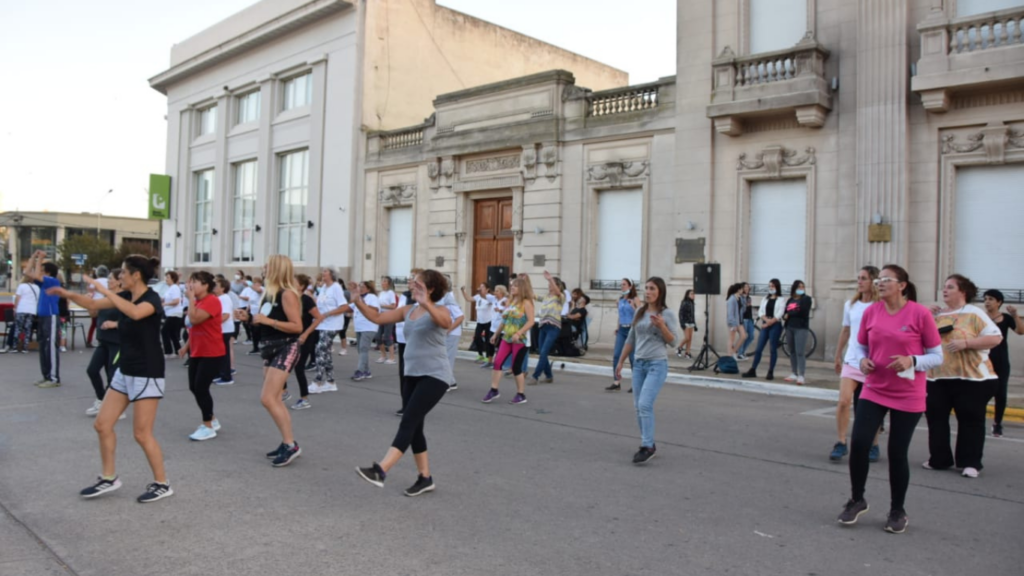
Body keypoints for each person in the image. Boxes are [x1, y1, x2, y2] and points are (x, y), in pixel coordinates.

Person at [49, 255, 174, 503]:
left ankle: (163, 483)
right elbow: (93, 306)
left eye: (124, 274)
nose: (120, 278)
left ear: (136, 275)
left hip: (147, 372)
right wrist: (66, 294)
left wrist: (105, 289)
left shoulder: (151, 299)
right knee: (102, 424)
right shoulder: (125, 297)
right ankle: (109, 477)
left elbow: (136, 314)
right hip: (125, 369)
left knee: (141, 433)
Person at [838, 264, 942, 533]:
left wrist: (913, 360)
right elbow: (860, 344)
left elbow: (937, 355)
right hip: (875, 387)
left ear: (902, 285)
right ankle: (857, 499)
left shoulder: (919, 314)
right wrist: (862, 360)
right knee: (860, 442)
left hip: (908, 393)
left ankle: (898, 510)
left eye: (886, 279)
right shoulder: (872, 311)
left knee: (897, 452)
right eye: (879, 279)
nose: (880, 283)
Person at [355, 271, 454, 495]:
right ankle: (425, 478)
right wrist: (357, 302)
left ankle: (381, 470)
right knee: (416, 428)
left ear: (430, 289)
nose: (412, 284)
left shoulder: (440, 310)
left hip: (435, 375)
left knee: (408, 421)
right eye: (412, 282)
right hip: (412, 374)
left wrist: (427, 304)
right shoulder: (408, 310)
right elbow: (378, 318)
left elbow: (445, 323)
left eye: (418, 283)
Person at [924, 274, 1002, 478]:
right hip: (937, 377)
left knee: (970, 419)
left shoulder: (974, 313)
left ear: (963, 292)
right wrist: (925, 315)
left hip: (972, 378)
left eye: (950, 287)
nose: (945, 290)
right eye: (944, 287)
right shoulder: (936, 315)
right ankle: (939, 459)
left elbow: (995, 338)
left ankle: (970, 463)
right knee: (936, 418)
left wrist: (966, 343)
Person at [614, 277, 680, 464]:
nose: (648, 291)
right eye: (647, 288)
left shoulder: (667, 314)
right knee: (638, 407)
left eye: (652, 288)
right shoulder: (640, 312)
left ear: (660, 292)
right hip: (639, 365)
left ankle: (647, 446)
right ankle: (648, 443)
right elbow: (631, 340)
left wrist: (662, 326)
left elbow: (674, 341)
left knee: (644, 404)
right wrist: (620, 362)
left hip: (656, 364)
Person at [257, 255, 306, 467]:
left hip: (286, 347)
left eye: (267, 266)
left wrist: (268, 320)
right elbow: (266, 322)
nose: (263, 268)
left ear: (276, 269)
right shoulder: (269, 293)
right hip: (270, 348)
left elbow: (297, 326)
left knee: (268, 398)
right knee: (274, 399)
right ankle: (288, 442)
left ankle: (290, 444)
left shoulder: (287, 294)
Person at [830, 266, 881, 462]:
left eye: (864, 278)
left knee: (869, 408)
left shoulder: (880, 305)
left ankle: (873, 444)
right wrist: (837, 356)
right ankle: (841, 442)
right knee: (844, 401)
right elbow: (846, 331)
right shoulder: (850, 305)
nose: (859, 282)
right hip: (852, 360)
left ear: (873, 281)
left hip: (873, 362)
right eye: (858, 278)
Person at [177, 271, 226, 441]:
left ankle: (207, 426)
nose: (190, 286)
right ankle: (212, 418)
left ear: (205, 285)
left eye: (194, 282)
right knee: (193, 386)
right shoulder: (197, 301)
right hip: (198, 351)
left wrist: (190, 299)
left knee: (201, 388)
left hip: (212, 352)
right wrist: (186, 346)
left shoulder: (212, 301)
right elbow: (193, 328)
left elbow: (195, 319)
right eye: (190, 282)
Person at [483, 276, 535, 405]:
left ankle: (521, 394)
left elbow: (531, 321)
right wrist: (496, 334)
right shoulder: (510, 302)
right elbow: (504, 320)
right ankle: (494, 390)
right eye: (511, 285)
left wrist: (519, 332)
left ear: (522, 288)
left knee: (516, 367)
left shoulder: (526, 303)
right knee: (497, 362)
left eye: (515, 286)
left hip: (521, 340)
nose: (512, 287)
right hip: (507, 338)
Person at [85, 269, 126, 418]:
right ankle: (102, 399)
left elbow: (131, 319)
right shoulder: (105, 297)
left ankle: (116, 409)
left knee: (112, 375)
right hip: (103, 341)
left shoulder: (123, 298)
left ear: (119, 281)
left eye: (110, 279)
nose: (108, 281)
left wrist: (114, 324)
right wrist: (90, 303)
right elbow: (94, 314)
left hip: (117, 342)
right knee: (92, 370)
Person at [983, 289, 1023, 437]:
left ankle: (997, 423)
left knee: (1001, 394)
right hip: (983, 360)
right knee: (981, 392)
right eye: (986, 298)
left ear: (999, 302)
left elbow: (1020, 331)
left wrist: (1015, 315)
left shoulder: (1005, 318)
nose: (987, 301)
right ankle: (977, 420)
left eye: (991, 299)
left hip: (1001, 361)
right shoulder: (980, 317)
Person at [23, 251, 62, 387]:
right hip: (43, 317)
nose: (40, 272)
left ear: (48, 272)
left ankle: (53, 378)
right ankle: (46, 376)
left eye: (43, 270)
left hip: (51, 317)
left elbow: (37, 275)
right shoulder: (44, 283)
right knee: (44, 347)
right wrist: (33, 257)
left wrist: (40, 259)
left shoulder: (52, 281)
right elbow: (28, 273)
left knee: (50, 347)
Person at [289, 274, 324, 410]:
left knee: (298, 368)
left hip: (305, 338)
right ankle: (283, 392)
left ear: (301, 286)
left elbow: (319, 318)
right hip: (290, 337)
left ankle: (304, 398)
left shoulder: (306, 300)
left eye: (294, 282)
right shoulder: (289, 299)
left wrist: (305, 334)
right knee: (281, 366)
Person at [311, 268, 349, 392]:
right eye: (322, 271)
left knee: (320, 350)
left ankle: (318, 381)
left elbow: (344, 306)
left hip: (333, 324)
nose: (323, 273)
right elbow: (319, 303)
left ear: (331, 275)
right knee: (325, 353)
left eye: (325, 271)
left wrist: (327, 314)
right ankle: (331, 381)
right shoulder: (323, 288)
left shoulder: (336, 287)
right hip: (322, 324)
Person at [742, 279, 785, 380]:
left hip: (775, 325)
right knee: (759, 348)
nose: (771, 288)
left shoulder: (781, 299)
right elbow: (761, 311)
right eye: (770, 286)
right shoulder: (765, 298)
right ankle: (753, 369)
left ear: (777, 287)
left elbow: (780, 313)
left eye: (773, 286)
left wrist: (770, 322)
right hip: (765, 324)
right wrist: (766, 320)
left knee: (772, 349)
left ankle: (770, 371)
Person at [530, 271, 566, 386]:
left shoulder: (560, 297)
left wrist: (550, 279)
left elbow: (557, 292)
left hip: (553, 327)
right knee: (542, 352)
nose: (549, 286)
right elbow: (532, 295)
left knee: (544, 352)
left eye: (552, 284)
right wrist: (526, 281)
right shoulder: (546, 297)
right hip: (543, 326)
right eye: (549, 284)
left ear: (558, 286)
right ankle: (549, 376)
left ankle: (535, 376)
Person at [607, 279, 640, 392]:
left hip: (632, 329)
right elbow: (620, 315)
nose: (622, 286)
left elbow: (640, 315)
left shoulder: (635, 299)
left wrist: (633, 307)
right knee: (617, 355)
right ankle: (616, 382)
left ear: (630, 286)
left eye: (624, 284)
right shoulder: (620, 300)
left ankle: (636, 384)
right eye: (621, 285)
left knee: (632, 358)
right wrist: (617, 327)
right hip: (622, 329)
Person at [349, 280, 380, 381]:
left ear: (368, 288)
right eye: (360, 286)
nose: (361, 288)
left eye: (363, 287)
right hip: (359, 327)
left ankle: (360, 371)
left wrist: (363, 303)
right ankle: (367, 370)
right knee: (360, 349)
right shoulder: (359, 298)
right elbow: (349, 307)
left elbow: (375, 309)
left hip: (369, 326)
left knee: (363, 348)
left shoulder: (372, 297)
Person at [783, 280, 812, 385]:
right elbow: (785, 312)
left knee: (800, 352)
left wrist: (790, 314)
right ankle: (794, 373)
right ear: (794, 288)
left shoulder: (806, 299)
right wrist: (786, 315)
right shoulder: (790, 299)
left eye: (802, 287)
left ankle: (801, 375)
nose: (801, 288)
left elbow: (803, 312)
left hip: (801, 327)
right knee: (792, 351)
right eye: (799, 287)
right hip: (789, 327)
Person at [461, 283, 497, 364]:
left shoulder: (489, 297)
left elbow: (494, 301)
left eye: (482, 287)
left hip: (488, 321)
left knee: (488, 339)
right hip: (480, 321)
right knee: (477, 337)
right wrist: (463, 291)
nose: (480, 288)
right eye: (480, 286)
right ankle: (480, 354)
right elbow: (469, 299)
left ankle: (488, 357)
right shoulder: (478, 297)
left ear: (487, 289)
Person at [211, 278, 236, 386]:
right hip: (222, 329)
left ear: (223, 288)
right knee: (219, 353)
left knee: (224, 353)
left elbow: (225, 315)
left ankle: (226, 377)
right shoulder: (220, 298)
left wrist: (212, 325)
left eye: (217, 286)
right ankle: (219, 374)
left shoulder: (224, 298)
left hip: (225, 329)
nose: (214, 288)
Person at [443, 289, 465, 391]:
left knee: (448, 358)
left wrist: (449, 329)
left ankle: (447, 382)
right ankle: (451, 381)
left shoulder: (450, 301)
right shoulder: (441, 299)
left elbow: (460, 317)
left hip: (452, 334)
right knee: (444, 358)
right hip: (445, 333)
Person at [11, 275, 39, 353]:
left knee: (18, 328)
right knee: (28, 329)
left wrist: (15, 308)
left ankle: (15, 347)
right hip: (31, 310)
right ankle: (25, 347)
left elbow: (18, 298)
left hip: (21, 309)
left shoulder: (21, 286)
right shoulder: (37, 288)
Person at [483, 285, 508, 369]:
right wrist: (484, 289)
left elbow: (510, 311)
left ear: (501, 292)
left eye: (497, 291)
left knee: (499, 346)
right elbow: (484, 295)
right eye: (495, 290)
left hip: (502, 327)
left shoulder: (506, 300)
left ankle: (498, 362)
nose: (495, 292)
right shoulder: (494, 299)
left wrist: (500, 310)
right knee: (490, 344)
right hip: (493, 326)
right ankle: (490, 361)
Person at [376, 276, 398, 364]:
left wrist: (382, 306)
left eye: (384, 281)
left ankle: (392, 357)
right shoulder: (381, 293)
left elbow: (393, 306)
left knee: (387, 337)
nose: (382, 283)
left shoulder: (391, 293)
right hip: (381, 315)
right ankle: (383, 355)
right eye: (382, 281)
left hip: (389, 316)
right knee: (378, 336)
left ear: (388, 283)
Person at [161, 271, 184, 357]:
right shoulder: (170, 288)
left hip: (174, 314)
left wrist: (165, 304)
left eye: (168, 277)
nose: (166, 279)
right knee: (172, 333)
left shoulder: (174, 287)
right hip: (170, 313)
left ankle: (168, 352)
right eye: (166, 277)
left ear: (173, 279)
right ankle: (178, 351)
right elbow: (166, 298)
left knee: (164, 331)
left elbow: (176, 301)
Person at [241, 277, 263, 354]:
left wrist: (249, 284)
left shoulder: (261, 289)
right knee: (253, 330)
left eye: (255, 283)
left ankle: (260, 346)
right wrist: (247, 310)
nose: (254, 284)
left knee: (258, 331)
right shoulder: (252, 291)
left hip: (259, 313)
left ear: (259, 283)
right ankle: (255, 347)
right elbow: (250, 302)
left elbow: (258, 290)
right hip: (252, 312)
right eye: (253, 283)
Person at [725, 283, 746, 358]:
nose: (742, 290)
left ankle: (733, 351)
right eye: (741, 289)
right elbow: (730, 313)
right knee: (731, 338)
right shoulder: (732, 299)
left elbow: (742, 309)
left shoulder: (740, 298)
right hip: (733, 322)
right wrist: (733, 324)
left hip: (739, 321)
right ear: (738, 289)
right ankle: (729, 355)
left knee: (743, 336)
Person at [675, 289, 696, 359]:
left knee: (690, 339)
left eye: (694, 294)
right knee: (687, 338)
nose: (693, 295)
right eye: (692, 294)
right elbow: (681, 313)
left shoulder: (692, 303)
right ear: (688, 295)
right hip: (686, 322)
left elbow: (693, 314)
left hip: (691, 323)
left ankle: (687, 352)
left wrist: (695, 324)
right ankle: (679, 348)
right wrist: (682, 323)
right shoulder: (684, 302)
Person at [737, 284, 755, 359]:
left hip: (750, 318)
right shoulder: (740, 298)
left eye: (748, 287)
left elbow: (750, 309)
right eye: (745, 287)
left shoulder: (749, 298)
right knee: (743, 336)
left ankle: (742, 351)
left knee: (751, 336)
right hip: (743, 318)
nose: (747, 288)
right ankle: (740, 353)